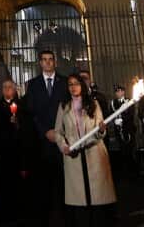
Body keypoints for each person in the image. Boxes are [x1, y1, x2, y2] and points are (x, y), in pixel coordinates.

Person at [54, 74, 116, 227]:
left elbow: (100, 129)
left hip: (94, 153)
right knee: (80, 199)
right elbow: (57, 132)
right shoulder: (63, 106)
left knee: (97, 198)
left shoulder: (93, 104)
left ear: (82, 85)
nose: (73, 87)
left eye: (76, 83)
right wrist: (63, 146)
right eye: (70, 84)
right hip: (74, 157)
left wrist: (101, 130)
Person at [23, 50, 67, 220]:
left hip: (62, 137)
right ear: (40, 63)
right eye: (45, 60)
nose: (48, 62)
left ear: (55, 62)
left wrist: (58, 131)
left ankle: (64, 214)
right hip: (41, 141)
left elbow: (67, 109)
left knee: (62, 182)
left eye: (51, 60)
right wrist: (45, 131)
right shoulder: (33, 84)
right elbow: (31, 112)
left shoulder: (64, 82)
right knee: (44, 183)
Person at [0, 80, 31, 225]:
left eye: (10, 87)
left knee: (15, 189)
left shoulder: (22, 107)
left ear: (15, 89)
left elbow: (26, 134)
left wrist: (17, 125)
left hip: (16, 155)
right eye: (4, 87)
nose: (7, 89)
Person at [105, 85, 136, 179]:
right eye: (116, 91)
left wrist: (122, 120)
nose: (118, 93)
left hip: (128, 130)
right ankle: (125, 172)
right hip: (118, 130)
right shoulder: (113, 102)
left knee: (130, 151)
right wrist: (114, 121)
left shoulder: (129, 101)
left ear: (123, 92)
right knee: (122, 151)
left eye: (119, 91)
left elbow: (131, 114)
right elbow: (110, 114)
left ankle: (133, 172)